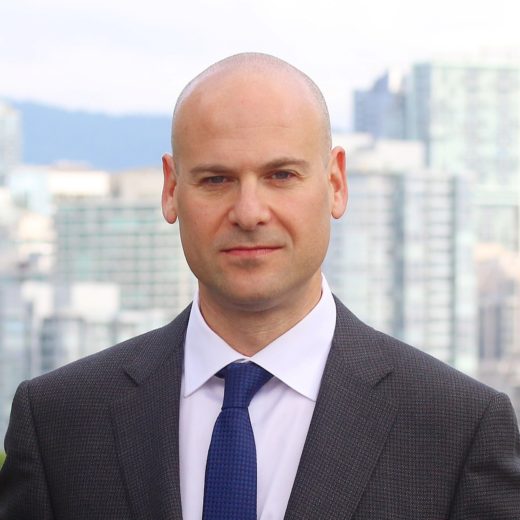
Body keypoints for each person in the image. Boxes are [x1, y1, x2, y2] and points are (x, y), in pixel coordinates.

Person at [1, 53, 519, 520]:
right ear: (171, 189)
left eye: (281, 175)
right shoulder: (58, 422)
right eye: (216, 179)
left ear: (336, 184)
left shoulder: (458, 430)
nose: (249, 213)